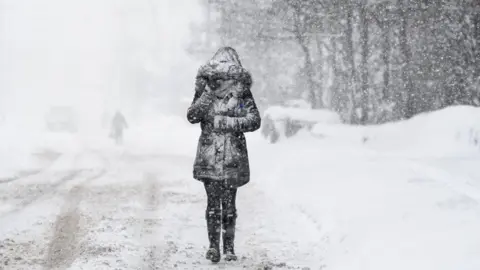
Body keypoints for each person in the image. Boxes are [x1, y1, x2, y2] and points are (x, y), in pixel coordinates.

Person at [186, 46, 261, 263]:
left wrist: (229, 122)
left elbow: (254, 120)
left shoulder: (241, 92)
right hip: (210, 156)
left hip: (231, 156)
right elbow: (192, 115)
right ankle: (214, 247)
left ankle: (227, 248)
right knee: (216, 204)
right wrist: (207, 94)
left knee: (226, 204)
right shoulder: (205, 91)